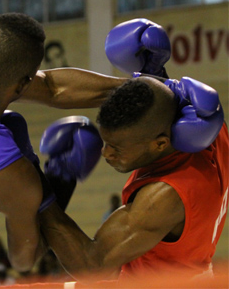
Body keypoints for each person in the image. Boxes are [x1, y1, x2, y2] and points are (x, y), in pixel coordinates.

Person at [0, 12, 130, 289]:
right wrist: (57, 178)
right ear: (24, 84)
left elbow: (50, 86)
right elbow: (23, 259)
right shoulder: (10, 171)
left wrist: (135, 89)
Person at [38, 75, 228, 283]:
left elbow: (92, 264)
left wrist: (38, 182)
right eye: (106, 142)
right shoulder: (212, 132)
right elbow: (157, 94)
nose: (106, 153)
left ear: (160, 144)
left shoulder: (165, 196)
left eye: (117, 148)